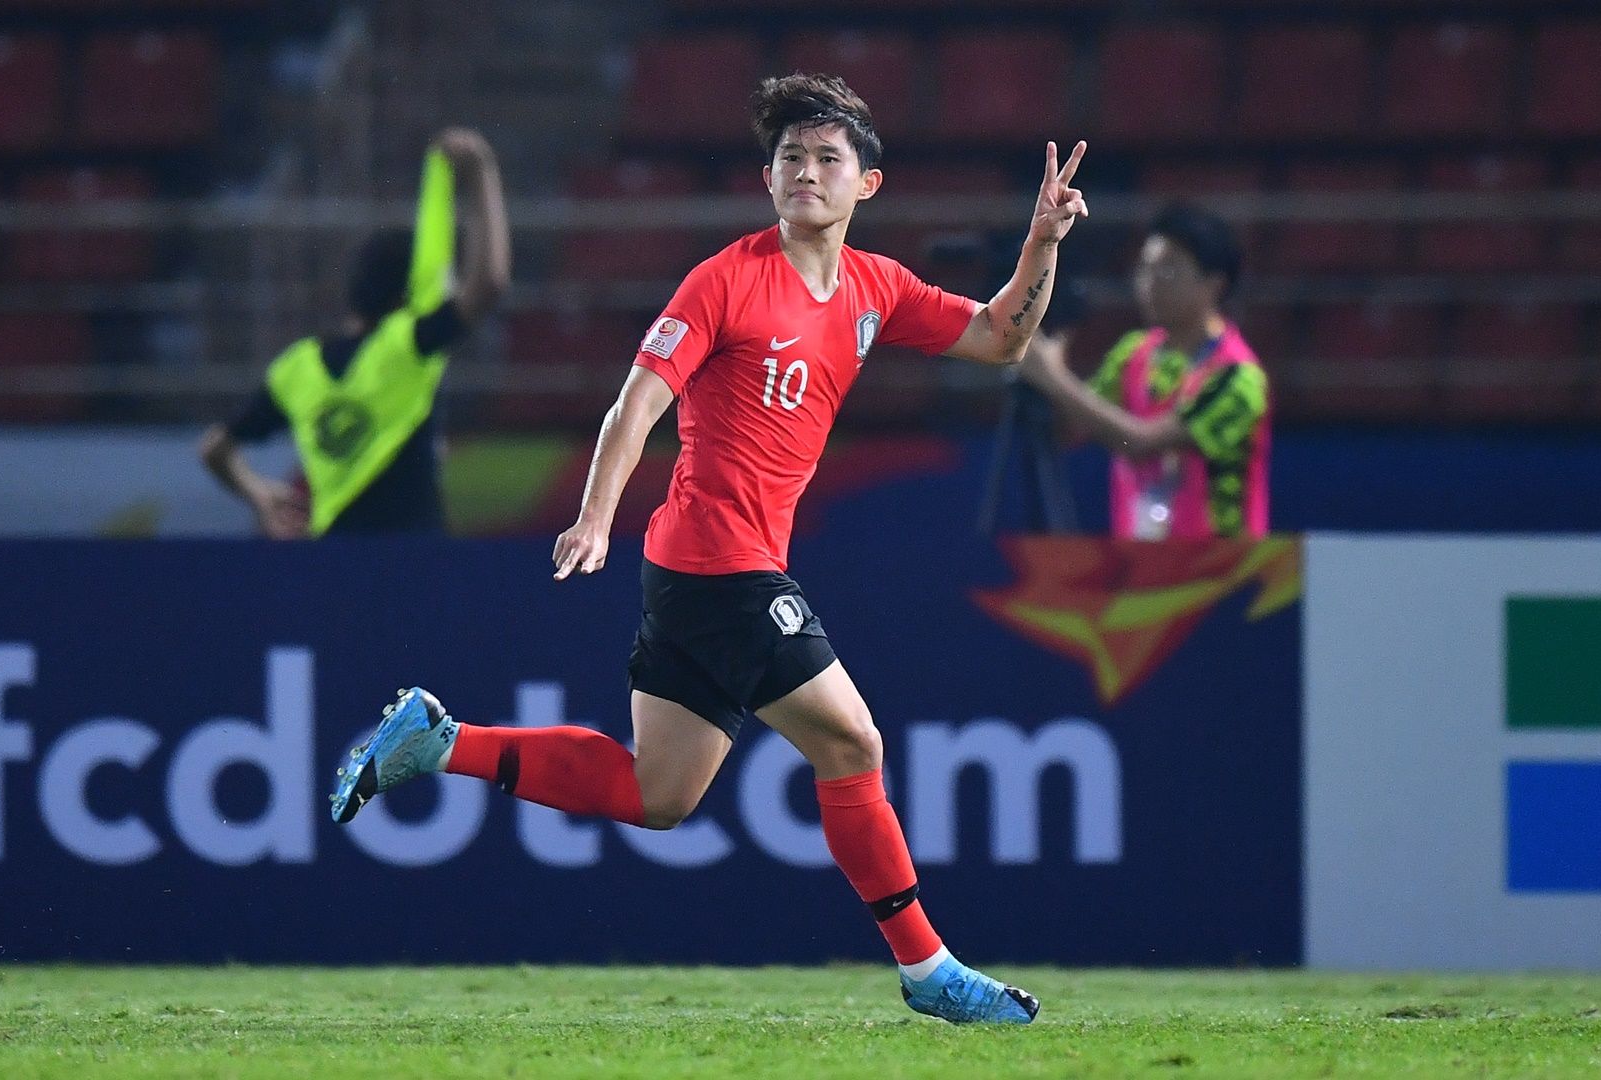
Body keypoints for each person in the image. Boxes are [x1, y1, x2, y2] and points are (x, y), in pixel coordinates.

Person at [328, 74, 1087, 1025]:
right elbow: (638, 401)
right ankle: (929, 969)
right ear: (766, 179)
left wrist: (1041, 245)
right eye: (790, 159)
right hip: (718, 564)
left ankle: (440, 743)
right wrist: (596, 514)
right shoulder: (726, 279)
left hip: (694, 574)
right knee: (852, 741)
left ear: (867, 185)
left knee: (660, 794)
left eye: (827, 159)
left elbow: (999, 339)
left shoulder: (874, 286)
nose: (806, 173)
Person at [199, 128, 510, 537]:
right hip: (416, 558)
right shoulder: (408, 345)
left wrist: (257, 492)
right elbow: (489, 282)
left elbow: (214, 449)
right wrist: (481, 169)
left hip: (337, 563)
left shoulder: (296, 368)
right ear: (408, 296)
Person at [1018, 203, 1270, 540]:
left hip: (1220, 573)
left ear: (1213, 284)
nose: (1149, 283)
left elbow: (1141, 442)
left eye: (1167, 271)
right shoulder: (1134, 353)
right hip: (1141, 567)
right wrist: (1048, 370)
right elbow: (1071, 430)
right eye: (1144, 270)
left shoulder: (1238, 377)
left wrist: (1052, 376)